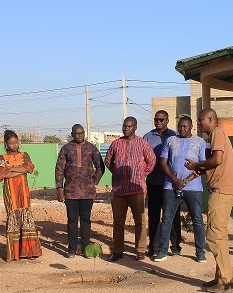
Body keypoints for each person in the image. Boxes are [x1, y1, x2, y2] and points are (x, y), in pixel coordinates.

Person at [185, 108, 233, 293]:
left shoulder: (216, 132)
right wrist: (199, 168)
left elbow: (217, 160)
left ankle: (226, 279)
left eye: (201, 120)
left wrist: (197, 164)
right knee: (218, 234)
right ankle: (221, 277)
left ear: (210, 119)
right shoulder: (215, 135)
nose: (199, 123)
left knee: (215, 235)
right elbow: (214, 162)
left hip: (222, 190)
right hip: (221, 189)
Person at [154, 116, 207, 263]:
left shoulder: (200, 142)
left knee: (197, 219)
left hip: (193, 187)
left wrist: (186, 180)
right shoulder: (170, 141)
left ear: (191, 127)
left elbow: (202, 166)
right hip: (171, 186)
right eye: (180, 126)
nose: (182, 129)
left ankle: (200, 252)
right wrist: (176, 180)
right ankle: (163, 251)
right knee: (167, 219)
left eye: (185, 126)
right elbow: (163, 163)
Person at [104, 117, 156, 262]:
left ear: (135, 127)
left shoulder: (142, 143)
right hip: (119, 190)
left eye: (129, 126)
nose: (126, 128)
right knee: (118, 222)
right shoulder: (116, 143)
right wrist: (117, 172)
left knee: (140, 221)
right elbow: (108, 161)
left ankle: (140, 251)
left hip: (137, 190)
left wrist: (140, 174)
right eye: (124, 126)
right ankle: (118, 251)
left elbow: (152, 161)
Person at [55, 124, 105, 258]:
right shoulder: (66, 149)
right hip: (71, 191)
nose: (80, 135)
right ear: (72, 134)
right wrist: (59, 188)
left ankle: (86, 248)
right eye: (77, 133)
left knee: (86, 221)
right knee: (72, 220)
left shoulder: (91, 148)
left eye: (82, 133)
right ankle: (71, 249)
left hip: (87, 192)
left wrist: (94, 181)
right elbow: (59, 169)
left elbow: (100, 166)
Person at [0, 130, 43, 261]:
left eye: (16, 143)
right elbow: (1, 175)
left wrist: (10, 169)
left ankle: (29, 252)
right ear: (6, 144)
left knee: (26, 217)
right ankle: (15, 253)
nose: (14, 145)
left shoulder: (24, 155)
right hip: (10, 193)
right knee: (13, 218)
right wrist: (19, 170)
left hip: (23, 191)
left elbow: (29, 168)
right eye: (11, 143)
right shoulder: (2, 157)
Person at [143, 110, 182, 257]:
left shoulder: (174, 136)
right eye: (156, 119)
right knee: (153, 216)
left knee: (172, 215)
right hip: (153, 182)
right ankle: (153, 247)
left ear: (167, 120)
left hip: (170, 183)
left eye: (161, 119)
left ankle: (176, 246)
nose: (158, 122)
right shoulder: (147, 137)